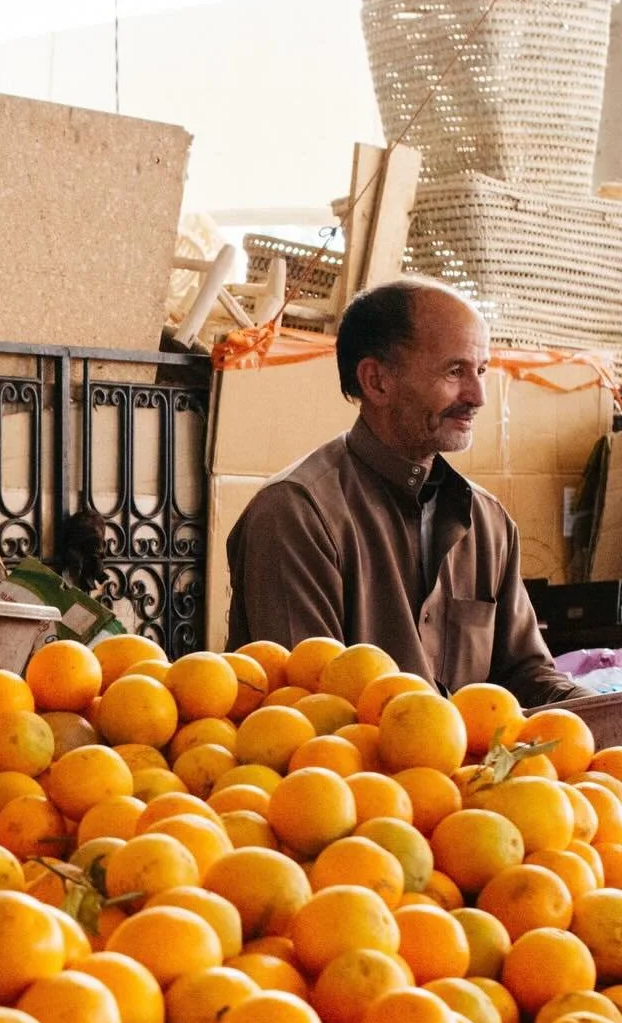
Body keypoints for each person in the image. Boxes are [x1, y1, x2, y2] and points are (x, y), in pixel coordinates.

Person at [226, 278, 578, 706]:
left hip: (476, 773)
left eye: (480, 370)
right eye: (455, 371)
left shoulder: (489, 522)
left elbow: (525, 673)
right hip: (345, 771)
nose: (478, 395)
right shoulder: (297, 513)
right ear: (376, 382)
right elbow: (309, 708)